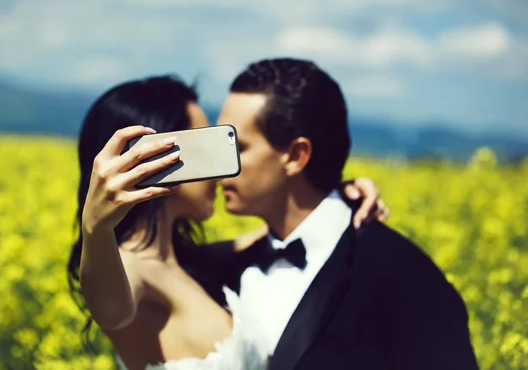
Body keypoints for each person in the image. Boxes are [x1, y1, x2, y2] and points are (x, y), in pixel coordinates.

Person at [67, 75, 388, 370]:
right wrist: (96, 228)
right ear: (154, 160)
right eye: (204, 148)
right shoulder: (130, 266)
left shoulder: (186, 261)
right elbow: (109, 310)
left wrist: (335, 196)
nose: (221, 172)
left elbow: (293, 233)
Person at [211, 58, 480, 369]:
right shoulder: (226, 266)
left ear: (296, 156)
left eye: (236, 147)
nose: (221, 166)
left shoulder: (404, 275)